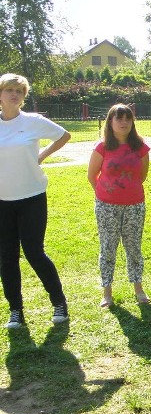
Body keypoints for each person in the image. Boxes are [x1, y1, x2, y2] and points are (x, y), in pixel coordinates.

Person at [0, 73, 71, 328]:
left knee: (34, 252)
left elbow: (64, 135)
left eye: (19, 91)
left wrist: (40, 157)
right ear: (0, 94)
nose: (14, 94)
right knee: (6, 257)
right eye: (9, 89)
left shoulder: (33, 121)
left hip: (31, 197)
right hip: (2, 202)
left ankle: (59, 302)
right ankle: (15, 310)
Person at [87, 104, 151, 307]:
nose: (124, 122)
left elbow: (142, 176)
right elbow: (91, 175)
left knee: (133, 247)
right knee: (108, 247)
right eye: (119, 118)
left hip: (134, 205)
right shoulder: (102, 146)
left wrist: (128, 192)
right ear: (110, 122)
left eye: (128, 119)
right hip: (107, 206)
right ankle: (107, 292)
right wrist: (105, 195)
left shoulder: (140, 146)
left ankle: (138, 288)